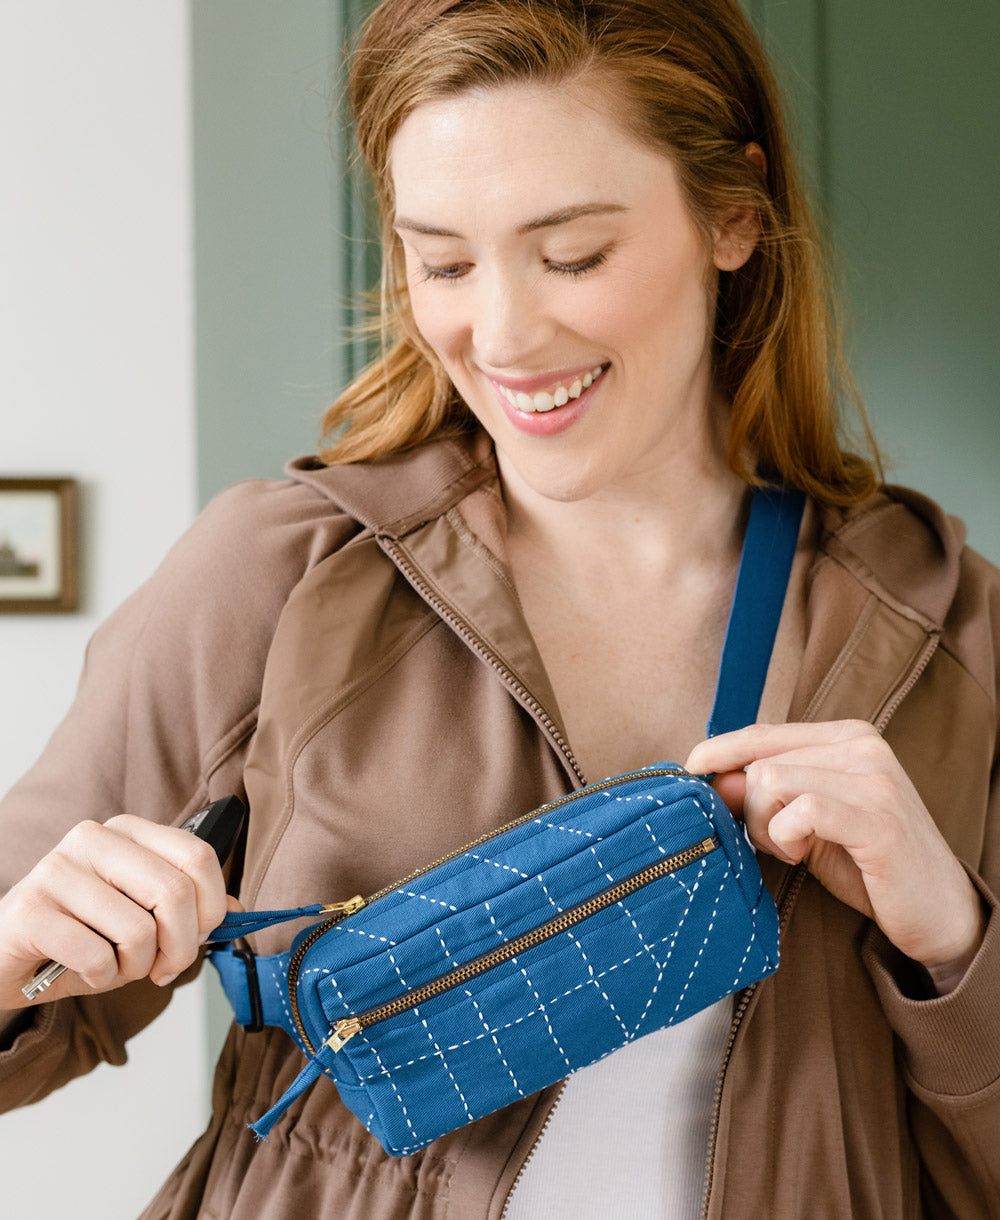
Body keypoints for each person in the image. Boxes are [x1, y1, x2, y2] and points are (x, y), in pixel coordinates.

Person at [1, 0, 997, 1215]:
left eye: (571, 255)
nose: (505, 335)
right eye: (444, 263)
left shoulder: (946, 629)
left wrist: (954, 938)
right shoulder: (277, 574)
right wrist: (15, 950)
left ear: (733, 214)